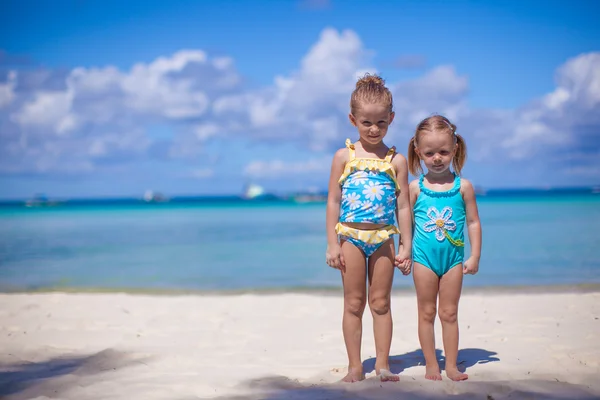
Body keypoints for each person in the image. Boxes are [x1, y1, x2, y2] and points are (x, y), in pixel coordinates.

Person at [325, 74, 413, 383]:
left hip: (384, 238)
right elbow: (333, 202)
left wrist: (406, 246)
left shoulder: (396, 160)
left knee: (380, 302)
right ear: (353, 120)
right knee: (353, 303)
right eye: (366, 123)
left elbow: (403, 206)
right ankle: (354, 366)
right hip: (350, 235)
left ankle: (383, 365)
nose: (374, 129)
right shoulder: (343, 157)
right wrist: (332, 244)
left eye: (381, 123)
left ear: (391, 119)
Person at [407, 115, 482, 381]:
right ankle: (431, 364)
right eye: (429, 153)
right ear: (418, 153)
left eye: (443, 151)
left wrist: (474, 255)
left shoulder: (464, 187)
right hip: (424, 259)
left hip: (453, 260)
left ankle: (451, 365)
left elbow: (473, 222)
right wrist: (404, 251)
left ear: (455, 149)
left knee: (449, 313)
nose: (437, 158)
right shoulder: (415, 189)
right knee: (426, 312)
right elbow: (406, 225)